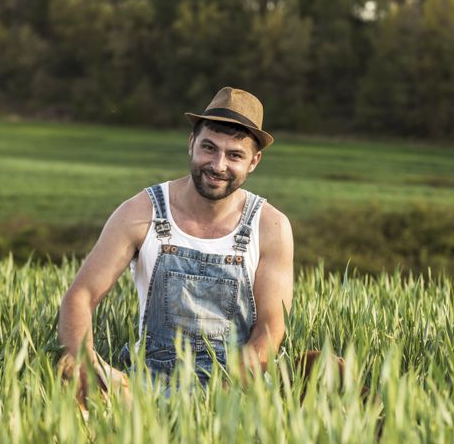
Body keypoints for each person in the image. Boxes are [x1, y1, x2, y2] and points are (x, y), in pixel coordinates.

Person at [57, 87, 294, 396]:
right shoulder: (142, 211)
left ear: (254, 161)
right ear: (191, 144)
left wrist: (223, 393)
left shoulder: (271, 225)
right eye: (209, 148)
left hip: (234, 387)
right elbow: (80, 296)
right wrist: (86, 364)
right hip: (146, 384)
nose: (218, 165)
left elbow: (270, 328)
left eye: (234, 155)